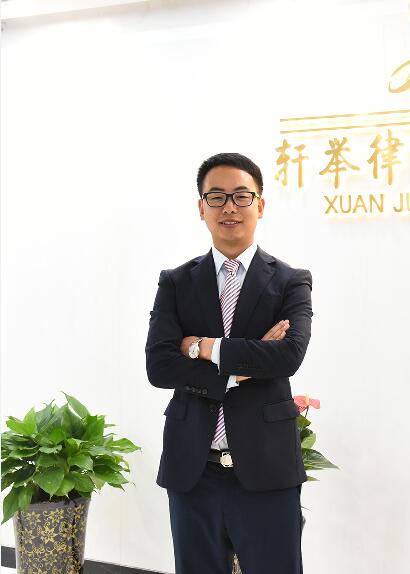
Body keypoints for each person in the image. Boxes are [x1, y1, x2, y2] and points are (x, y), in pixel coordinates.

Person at [145, 152, 312, 574]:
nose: (229, 207)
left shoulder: (291, 281)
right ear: (201, 207)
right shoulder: (176, 282)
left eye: (241, 195)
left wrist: (203, 347)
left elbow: (288, 355)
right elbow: (160, 366)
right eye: (216, 197)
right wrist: (244, 365)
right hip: (193, 470)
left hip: (267, 470)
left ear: (261, 204)